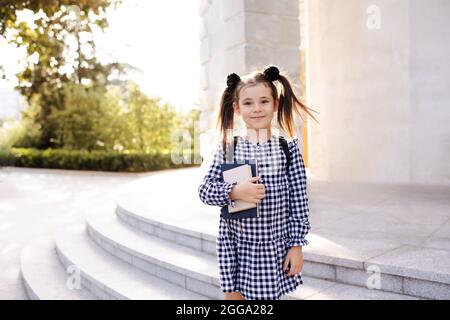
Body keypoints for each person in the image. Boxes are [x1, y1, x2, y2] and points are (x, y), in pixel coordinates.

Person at [197, 65, 319, 300]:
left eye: (264, 101)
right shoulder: (228, 148)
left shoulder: (288, 149)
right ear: (237, 108)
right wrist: (234, 191)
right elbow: (205, 190)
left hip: (273, 247)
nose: (257, 109)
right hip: (235, 246)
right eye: (248, 103)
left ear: (275, 104)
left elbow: (299, 204)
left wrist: (296, 246)